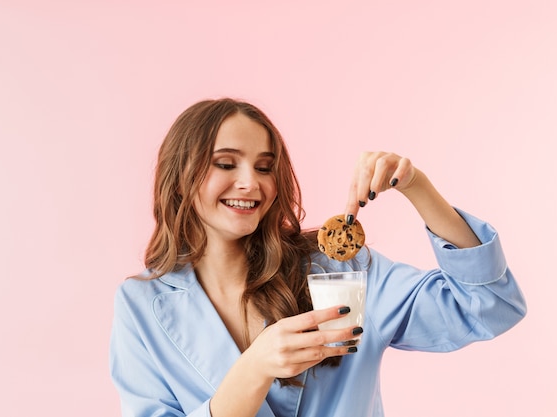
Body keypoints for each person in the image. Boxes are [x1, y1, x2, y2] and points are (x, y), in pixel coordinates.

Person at [109, 97, 526, 417]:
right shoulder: (141, 306)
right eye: (225, 163)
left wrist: (416, 186)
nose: (249, 183)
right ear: (179, 177)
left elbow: (490, 305)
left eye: (265, 167)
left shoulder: (340, 270)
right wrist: (254, 369)